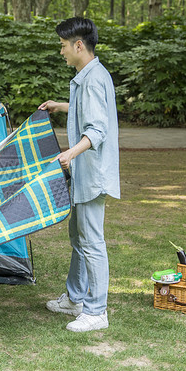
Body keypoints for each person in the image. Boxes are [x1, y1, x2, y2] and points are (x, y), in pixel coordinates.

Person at [39, 17, 120, 332]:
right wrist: (61, 106)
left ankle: (97, 311)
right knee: (78, 237)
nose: (61, 52)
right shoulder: (88, 77)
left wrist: (69, 153)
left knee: (91, 240)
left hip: (93, 173)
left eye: (62, 46)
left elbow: (97, 129)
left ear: (78, 45)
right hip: (85, 172)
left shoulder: (94, 78)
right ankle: (74, 299)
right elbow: (88, 108)